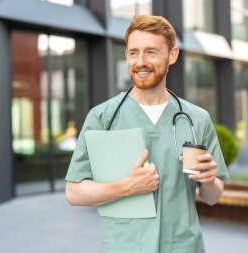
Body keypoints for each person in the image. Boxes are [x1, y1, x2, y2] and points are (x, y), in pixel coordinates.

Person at [65, 15, 229, 253]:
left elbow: (212, 197)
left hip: (182, 246)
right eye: (133, 53)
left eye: (151, 52)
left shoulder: (196, 119)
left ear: (172, 55)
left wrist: (209, 180)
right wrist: (128, 186)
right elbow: (74, 192)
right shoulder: (103, 117)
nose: (140, 62)